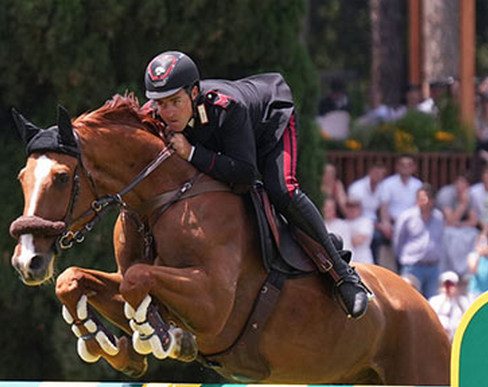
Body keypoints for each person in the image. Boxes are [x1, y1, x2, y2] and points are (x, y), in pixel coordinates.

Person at [143, 51, 369, 318]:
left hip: (269, 123)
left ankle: (344, 277)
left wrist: (192, 153)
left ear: (193, 93)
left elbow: (247, 173)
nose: (166, 112)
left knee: (282, 189)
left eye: (174, 102)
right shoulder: (154, 113)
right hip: (232, 140)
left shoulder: (226, 107)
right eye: (160, 103)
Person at [392, 184, 444, 297]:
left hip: (432, 267)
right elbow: (398, 241)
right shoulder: (407, 217)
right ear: (417, 199)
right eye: (422, 198)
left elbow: (439, 240)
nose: (425, 201)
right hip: (413, 265)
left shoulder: (439, 217)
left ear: (433, 200)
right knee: (410, 301)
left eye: (428, 198)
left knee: (432, 302)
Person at [435, 173, 480, 279]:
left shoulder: (470, 195)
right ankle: (449, 270)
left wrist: (460, 224)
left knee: (474, 234)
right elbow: (450, 220)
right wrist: (463, 204)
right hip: (444, 228)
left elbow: (473, 221)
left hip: (460, 227)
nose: (462, 185)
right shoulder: (446, 194)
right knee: (449, 235)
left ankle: (467, 272)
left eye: (465, 183)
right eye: (459, 182)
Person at [428, 270, 470, 339]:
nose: (448, 288)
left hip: (456, 337)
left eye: (451, 285)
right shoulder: (434, 301)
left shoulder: (463, 301)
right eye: (446, 285)